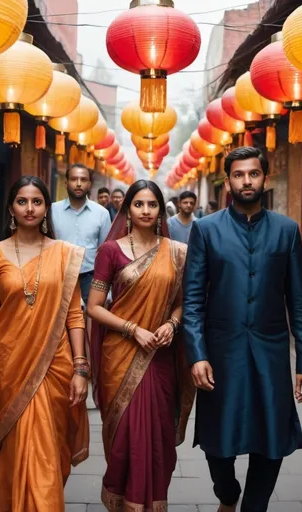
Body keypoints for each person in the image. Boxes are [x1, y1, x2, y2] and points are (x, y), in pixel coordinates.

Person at [182, 147, 302, 512]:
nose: (246, 181)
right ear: (228, 181)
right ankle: (227, 492)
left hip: (271, 354)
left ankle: (254, 506)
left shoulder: (286, 231)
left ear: (264, 179)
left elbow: (299, 302)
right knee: (216, 443)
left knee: (271, 439)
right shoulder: (206, 230)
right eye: (238, 175)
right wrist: (197, 354)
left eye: (253, 174)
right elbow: (191, 300)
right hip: (220, 355)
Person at [0, 175, 89, 512]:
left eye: (36, 201)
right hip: (8, 368)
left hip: (55, 367)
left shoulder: (63, 255)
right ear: (11, 207)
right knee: (13, 454)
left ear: (46, 208)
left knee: (49, 455)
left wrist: (81, 368)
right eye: (22, 201)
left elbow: (75, 316)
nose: (29, 208)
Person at [87, 180, 195, 511]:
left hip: (160, 357)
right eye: (139, 204)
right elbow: (93, 307)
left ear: (161, 210)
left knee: (158, 435)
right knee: (125, 437)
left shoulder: (177, 252)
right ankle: (125, 500)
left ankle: (150, 501)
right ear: (128, 210)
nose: (146, 210)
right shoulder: (110, 251)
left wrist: (171, 325)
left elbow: (183, 301)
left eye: (152, 204)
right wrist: (134, 329)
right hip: (120, 354)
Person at [51, 164, 111, 305]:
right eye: (74, 179)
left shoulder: (102, 213)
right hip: (59, 276)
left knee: (91, 322)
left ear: (89, 184)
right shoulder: (52, 210)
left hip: (90, 278)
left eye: (83, 180)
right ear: (66, 183)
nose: (78, 184)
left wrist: (108, 288)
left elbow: (106, 253)